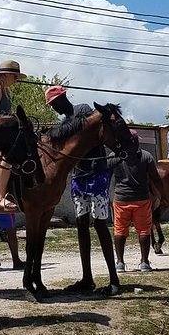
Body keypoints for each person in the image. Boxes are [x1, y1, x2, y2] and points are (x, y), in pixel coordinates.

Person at [45, 85, 120, 296]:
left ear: (62, 98)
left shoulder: (83, 110)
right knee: (81, 224)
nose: (54, 108)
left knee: (100, 224)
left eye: (54, 104)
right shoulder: (63, 122)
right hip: (78, 176)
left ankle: (114, 279)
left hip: (97, 173)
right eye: (51, 105)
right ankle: (87, 278)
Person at [108, 129, 164, 273]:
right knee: (144, 230)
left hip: (120, 199)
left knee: (119, 230)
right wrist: (161, 194)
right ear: (135, 141)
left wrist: (105, 195)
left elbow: (106, 177)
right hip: (142, 199)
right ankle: (144, 262)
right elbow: (155, 178)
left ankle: (120, 263)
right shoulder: (146, 156)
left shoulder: (113, 156)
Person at [0, 60, 26, 212]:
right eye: (15, 77)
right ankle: (1, 197)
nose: (16, 80)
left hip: (4, 133)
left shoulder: (6, 91)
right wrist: (6, 121)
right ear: (7, 75)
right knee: (7, 158)